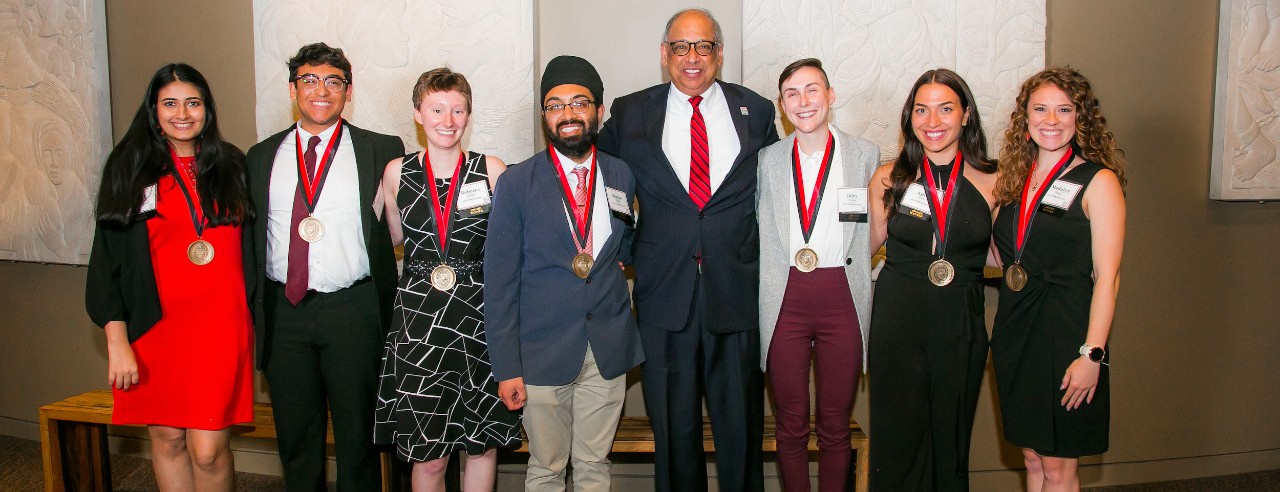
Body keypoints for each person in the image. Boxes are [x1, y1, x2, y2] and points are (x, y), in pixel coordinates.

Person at [597, 9, 779, 491]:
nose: (692, 57)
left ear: (720, 53)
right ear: (664, 54)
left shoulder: (757, 112)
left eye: (703, 46)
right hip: (664, 295)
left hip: (736, 293)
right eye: (681, 46)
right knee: (674, 438)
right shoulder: (630, 113)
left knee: (740, 434)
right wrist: (619, 247)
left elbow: (779, 191)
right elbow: (596, 180)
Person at [244, 42, 405, 490]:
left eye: (333, 82)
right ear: (293, 89)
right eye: (310, 80)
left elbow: (397, 227)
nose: (321, 91)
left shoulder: (382, 150)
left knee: (359, 438)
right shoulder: (261, 156)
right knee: (297, 437)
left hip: (353, 312)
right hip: (284, 313)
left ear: (348, 92)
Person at [85, 63, 253, 492]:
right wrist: (116, 341)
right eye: (170, 103)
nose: (183, 113)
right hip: (155, 329)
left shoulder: (232, 164)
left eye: (193, 102)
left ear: (207, 110)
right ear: (153, 110)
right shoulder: (131, 167)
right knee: (166, 437)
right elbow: (108, 263)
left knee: (209, 451)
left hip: (220, 328)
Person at [484, 55, 644, 492]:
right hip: (540, 352)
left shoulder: (620, 175)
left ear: (598, 110)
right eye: (555, 105)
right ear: (544, 116)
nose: (568, 114)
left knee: (595, 464)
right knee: (547, 466)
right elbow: (498, 283)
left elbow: (623, 248)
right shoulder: (518, 183)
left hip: (606, 348)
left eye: (579, 102)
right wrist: (506, 368)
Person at [372, 67, 521, 492]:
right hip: (419, 324)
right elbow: (397, 238)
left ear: (469, 116)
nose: (447, 120)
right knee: (429, 455)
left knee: (480, 447)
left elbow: (510, 245)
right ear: (418, 114)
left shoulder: (491, 170)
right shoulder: (397, 173)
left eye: (457, 110)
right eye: (437, 109)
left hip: (478, 320)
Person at [991, 67, 1126, 492]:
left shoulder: (1098, 181)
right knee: (1033, 458)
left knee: (1059, 467)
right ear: (1025, 118)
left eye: (1064, 110)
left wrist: (1092, 354)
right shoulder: (1014, 180)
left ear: (1080, 117)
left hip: (1067, 331)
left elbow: (1108, 277)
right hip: (1016, 328)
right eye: (1041, 109)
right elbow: (1006, 252)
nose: (1051, 120)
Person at [866, 68, 999, 491]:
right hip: (897, 319)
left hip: (959, 320)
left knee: (951, 434)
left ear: (966, 115)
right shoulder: (889, 178)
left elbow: (1006, 252)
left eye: (946, 109)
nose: (933, 121)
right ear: (910, 118)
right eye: (921, 110)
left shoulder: (995, 181)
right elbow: (859, 252)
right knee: (898, 435)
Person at [756, 58, 878, 492]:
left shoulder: (866, 154)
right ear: (782, 105)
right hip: (784, 298)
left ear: (831, 95)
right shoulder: (766, 160)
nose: (803, 101)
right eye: (792, 93)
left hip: (841, 296)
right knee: (789, 425)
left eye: (812, 90)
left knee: (834, 424)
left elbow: (872, 231)